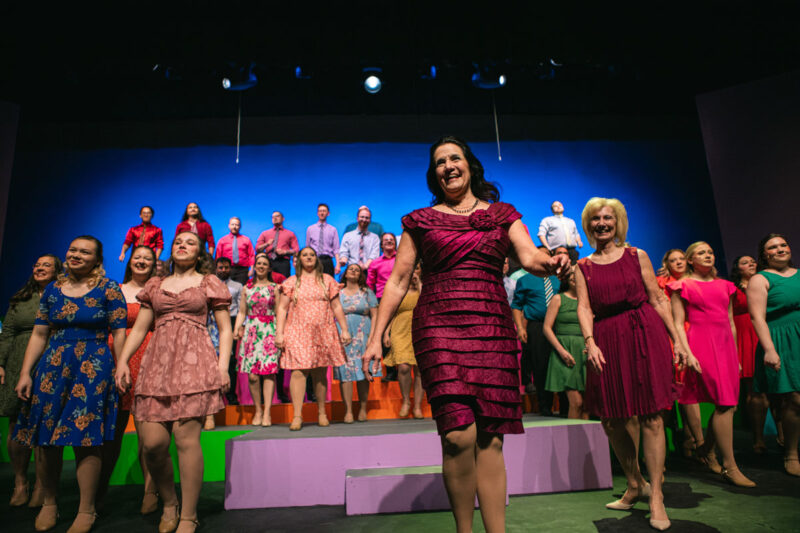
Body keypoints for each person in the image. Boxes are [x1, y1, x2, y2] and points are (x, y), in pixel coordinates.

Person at [362, 136, 568, 533]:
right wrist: (376, 335)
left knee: (490, 436)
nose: (448, 166)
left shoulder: (504, 214)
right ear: (434, 174)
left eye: (455, 158)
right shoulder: (419, 220)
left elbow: (530, 257)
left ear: (471, 166)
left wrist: (552, 260)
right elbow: (399, 280)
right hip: (438, 324)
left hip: (491, 325)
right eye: (440, 162)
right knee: (457, 435)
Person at [575, 198, 693, 531]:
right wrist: (590, 341)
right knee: (611, 419)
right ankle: (634, 482)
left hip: (643, 334)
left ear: (618, 222)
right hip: (607, 338)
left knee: (652, 417)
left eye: (608, 218)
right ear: (588, 225)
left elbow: (657, 298)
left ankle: (656, 495)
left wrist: (678, 342)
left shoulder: (636, 255)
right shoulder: (582, 266)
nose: (602, 223)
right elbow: (584, 308)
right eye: (595, 218)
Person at [115, 231, 233, 532]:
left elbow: (225, 328)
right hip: (158, 364)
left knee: (186, 440)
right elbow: (140, 328)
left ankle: (188, 514)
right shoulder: (155, 285)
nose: (183, 245)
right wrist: (123, 361)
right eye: (178, 242)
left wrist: (222, 367)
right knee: (153, 445)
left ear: (199, 252)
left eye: (190, 243)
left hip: (195, 363)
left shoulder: (209, 283)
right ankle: (168, 501)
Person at [13, 236, 126, 533]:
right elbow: (39, 334)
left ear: (97, 259)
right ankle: (50, 503)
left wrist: (121, 364)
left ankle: (86, 509)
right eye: (73, 250)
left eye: (84, 252)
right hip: (53, 366)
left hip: (93, 366)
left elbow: (120, 332)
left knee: (85, 437)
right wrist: (26, 373)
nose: (76, 255)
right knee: (46, 438)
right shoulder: (52, 289)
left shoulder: (109, 288)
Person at [669, 241, 755, 487]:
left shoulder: (725, 286)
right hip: (701, 345)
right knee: (724, 402)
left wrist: (736, 357)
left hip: (726, 346)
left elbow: (730, 321)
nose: (707, 255)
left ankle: (706, 449)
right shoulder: (682, 286)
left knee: (730, 404)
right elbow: (677, 323)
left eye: (710, 252)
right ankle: (730, 466)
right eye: (701, 253)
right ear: (690, 260)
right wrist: (687, 351)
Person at [98, 245, 159, 514]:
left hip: (151, 361)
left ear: (154, 263)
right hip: (118, 360)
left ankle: (151, 489)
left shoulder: (159, 291)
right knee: (111, 432)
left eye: (148, 258)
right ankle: (97, 490)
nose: (142, 261)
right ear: (129, 262)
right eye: (138, 257)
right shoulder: (116, 290)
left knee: (150, 435)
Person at [0, 254, 62, 508]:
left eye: (46, 265)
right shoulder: (21, 299)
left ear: (57, 271)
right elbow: (8, 333)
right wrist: (1, 364)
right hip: (18, 363)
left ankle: (41, 485)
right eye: (37, 264)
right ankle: (19, 482)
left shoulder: (63, 295)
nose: (40, 268)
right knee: (17, 422)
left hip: (52, 361)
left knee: (44, 422)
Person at [274, 247, 351, 431]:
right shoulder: (292, 282)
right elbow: (282, 309)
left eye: (311, 255)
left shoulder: (327, 280)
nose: (308, 257)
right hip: (297, 331)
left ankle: (322, 412)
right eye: (304, 255)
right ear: (298, 260)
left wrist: (345, 329)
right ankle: (297, 415)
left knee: (319, 373)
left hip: (323, 331)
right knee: (298, 372)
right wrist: (279, 333)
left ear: (316, 259)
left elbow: (337, 307)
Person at [748, 233, 800, 477]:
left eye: (783, 245)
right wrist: (769, 349)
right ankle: (791, 452)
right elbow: (757, 317)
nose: (780, 250)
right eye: (773, 247)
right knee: (794, 399)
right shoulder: (761, 279)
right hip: (782, 340)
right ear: (765, 254)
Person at [731, 254, 776, 454]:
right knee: (754, 390)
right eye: (744, 262)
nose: (750, 263)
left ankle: (783, 434)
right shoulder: (732, 289)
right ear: (737, 269)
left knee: (779, 390)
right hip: (745, 338)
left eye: (752, 260)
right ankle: (758, 437)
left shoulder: (767, 282)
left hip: (768, 333)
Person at [511, 246, 561, 412]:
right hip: (537, 327)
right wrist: (520, 328)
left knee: (561, 364)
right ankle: (545, 405)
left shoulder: (559, 278)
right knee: (540, 366)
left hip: (559, 326)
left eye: (548, 255)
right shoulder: (525, 280)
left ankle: (565, 406)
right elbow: (517, 305)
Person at [233, 253, 280, 427]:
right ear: (255, 266)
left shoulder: (274, 288)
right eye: (258, 263)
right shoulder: (247, 288)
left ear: (268, 268)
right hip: (252, 330)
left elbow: (278, 311)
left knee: (268, 373)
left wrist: (280, 333)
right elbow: (242, 312)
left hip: (269, 330)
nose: (260, 266)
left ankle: (267, 412)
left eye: (264, 264)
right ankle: (257, 410)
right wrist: (237, 327)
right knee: (252, 376)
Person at [334, 264, 379, 423]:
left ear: (361, 275)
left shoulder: (367, 293)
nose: (353, 271)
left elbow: (375, 316)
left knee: (363, 372)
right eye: (350, 269)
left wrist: (373, 338)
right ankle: (348, 411)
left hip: (363, 334)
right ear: (345, 274)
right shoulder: (337, 292)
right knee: (345, 373)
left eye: (357, 269)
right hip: (343, 334)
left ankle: (362, 408)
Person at [542, 266, 588, 419]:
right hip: (564, 352)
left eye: (578, 274)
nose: (574, 277)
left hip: (584, 352)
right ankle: (575, 442)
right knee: (576, 403)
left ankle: (587, 443)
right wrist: (561, 351)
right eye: (572, 275)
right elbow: (547, 328)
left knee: (586, 406)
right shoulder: (558, 298)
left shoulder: (588, 301)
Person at [383, 264, 424, 418]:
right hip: (400, 329)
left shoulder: (424, 287)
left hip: (420, 329)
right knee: (404, 367)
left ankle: (418, 406)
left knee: (420, 370)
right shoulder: (398, 289)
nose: (414, 272)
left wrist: (418, 283)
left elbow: (426, 303)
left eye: (417, 269)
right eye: (412, 269)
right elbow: (391, 312)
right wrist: (386, 333)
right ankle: (406, 401)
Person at [212, 256, 244, 408]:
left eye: (226, 267)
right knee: (212, 358)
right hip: (213, 322)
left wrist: (240, 326)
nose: (223, 270)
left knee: (230, 360)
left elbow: (241, 308)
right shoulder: (210, 284)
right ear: (216, 268)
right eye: (220, 267)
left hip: (231, 321)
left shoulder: (238, 286)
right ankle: (214, 397)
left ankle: (231, 396)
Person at [256, 211, 299, 278]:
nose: (275, 218)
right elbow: (257, 249)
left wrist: (285, 252)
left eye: (277, 216)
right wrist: (267, 244)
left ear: (283, 218)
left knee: (283, 284)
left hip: (283, 263)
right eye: (273, 217)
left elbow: (296, 250)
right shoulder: (265, 233)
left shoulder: (290, 234)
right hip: (268, 262)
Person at [338, 206, 380, 271]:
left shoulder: (375, 238)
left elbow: (374, 255)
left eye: (367, 218)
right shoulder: (347, 236)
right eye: (362, 217)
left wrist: (365, 266)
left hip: (368, 271)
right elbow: (344, 252)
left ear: (370, 220)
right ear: (357, 218)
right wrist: (343, 260)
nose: (364, 220)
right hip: (351, 270)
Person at [214, 216, 255, 285]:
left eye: (237, 225)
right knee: (226, 290)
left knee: (241, 290)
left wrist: (252, 269)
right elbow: (218, 256)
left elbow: (251, 255)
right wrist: (217, 270)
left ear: (240, 226)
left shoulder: (246, 240)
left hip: (242, 270)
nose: (234, 227)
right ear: (229, 226)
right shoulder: (222, 240)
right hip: (226, 269)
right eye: (232, 224)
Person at [305, 203, 340, 276]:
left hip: (327, 260)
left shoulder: (333, 229)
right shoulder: (310, 229)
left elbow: (336, 249)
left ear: (328, 213)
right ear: (317, 213)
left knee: (328, 284)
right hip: (314, 260)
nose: (322, 213)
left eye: (324, 211)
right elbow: (307, 248)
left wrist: (338, 264)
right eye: (320, 211)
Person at [366, 232, 397, 299]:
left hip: (400, 296)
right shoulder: (375, 263)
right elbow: (370, 283)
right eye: (386, 240)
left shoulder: (402, 259)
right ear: (381, 245)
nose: (389, 241)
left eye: (391, 240)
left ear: (395, 244)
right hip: (382, 297)